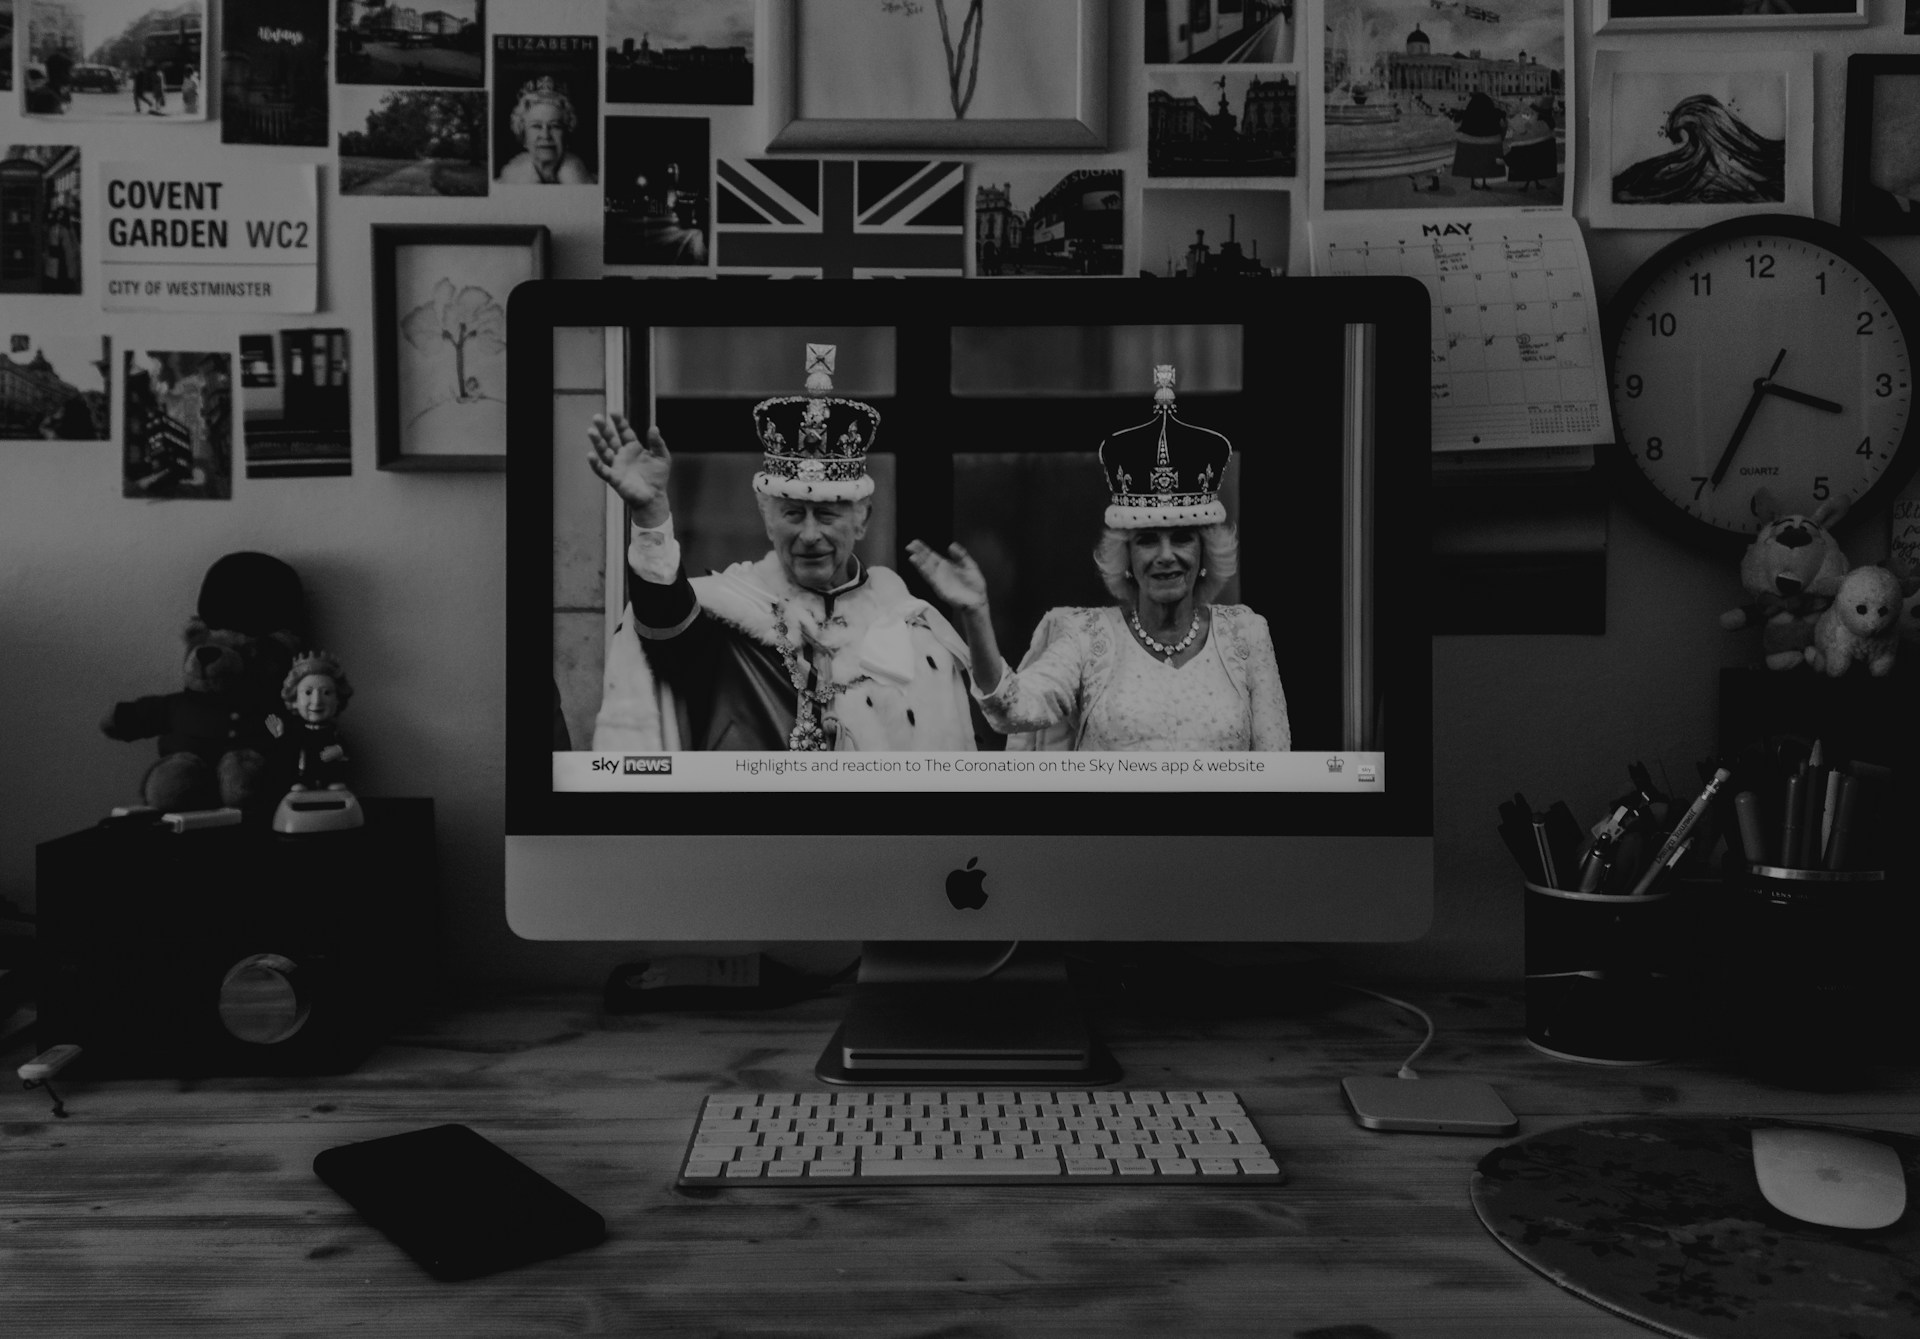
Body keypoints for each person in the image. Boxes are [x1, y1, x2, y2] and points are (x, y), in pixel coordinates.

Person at [587, 343, 977, 752]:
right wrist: (651, 513)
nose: (809, 534)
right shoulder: (732, 618)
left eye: (826, 514)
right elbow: (664, 624)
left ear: (861, 519)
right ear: (768, 520)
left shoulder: (915, 633)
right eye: (793, 513)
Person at [909, 365, 1290, 752]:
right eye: (1146, 540)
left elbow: (1281, 769)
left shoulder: (1246, 635)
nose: (1165, 556)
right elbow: (1010, 711)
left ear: (1205, 550)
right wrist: (976, 611)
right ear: (1125, 555)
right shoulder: (1085, 637)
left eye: (1182, 538)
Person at [497, 77, 595, 185]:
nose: (545, 135)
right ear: (523, 135)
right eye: (536, 126)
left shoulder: (587, 182)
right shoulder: (506, 184)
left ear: (566, 133)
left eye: (555, 126)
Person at [1450, 92, 1507, 191]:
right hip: (1489, 143)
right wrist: (1501, 138)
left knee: (1473, 163)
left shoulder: (1469, 112)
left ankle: (1473, 183)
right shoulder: (1494, 112)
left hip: (1470, 143)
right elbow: (1503, 125)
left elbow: (1457, 125)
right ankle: (1484, 183)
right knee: (1485, 164)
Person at [1504, 98, 1557, 192]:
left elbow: (1526, 126)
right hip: (1534, 140)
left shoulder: (1535, 114)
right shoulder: (1535, 114)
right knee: (1532, 165)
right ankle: (1534, 184)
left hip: (1534, 141)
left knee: (1530, 164)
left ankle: (1531, 185)